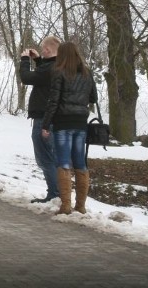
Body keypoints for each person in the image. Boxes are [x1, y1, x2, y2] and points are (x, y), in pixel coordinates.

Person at [41, 41, 97, 215]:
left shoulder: (59, 73)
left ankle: (65, 205)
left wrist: (45, 124)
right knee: (81, 164)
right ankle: (80, 206)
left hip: (63, 123)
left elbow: (54, 101)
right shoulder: (88, 73)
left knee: (63, 163)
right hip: (81, 123)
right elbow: (93, 98)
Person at [19, 35, 61, 204]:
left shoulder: (49, 68)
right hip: (56, 117)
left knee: (44, 158)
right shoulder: (59, 66)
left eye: (44, 49)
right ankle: (58, 193)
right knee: (54, 156)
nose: (42, 51)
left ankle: (55, 194)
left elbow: (26, 78)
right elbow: (44, 75)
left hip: (44, 117)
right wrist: (38, 60)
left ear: (48, 50)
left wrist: (24, 60)